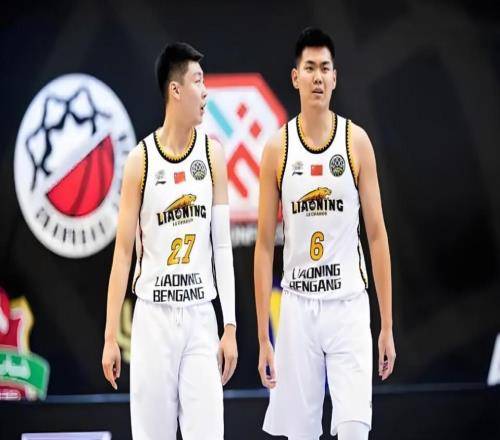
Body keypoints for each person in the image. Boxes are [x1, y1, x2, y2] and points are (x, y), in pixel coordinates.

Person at [254, 27, 396, 440]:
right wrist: (263, 337)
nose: (317, 77)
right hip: (297, 308)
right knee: (300, 434)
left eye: (325, 68)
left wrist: (386, 326)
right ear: (295, 77)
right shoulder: (277, 148)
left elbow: (377, 236)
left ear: (335, 77)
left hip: (348, 304)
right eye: (310, 68)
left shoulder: (356, 142)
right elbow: (262, 246)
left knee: (353, 429)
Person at [101, 42, 237, 440]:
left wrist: (229, 325)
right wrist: (109, 337)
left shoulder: (212, 155)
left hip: (200, 317)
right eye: (198, 81)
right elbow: (122, 253)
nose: (205, 92)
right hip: (152, 320)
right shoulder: (140, 161)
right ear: (175, 90)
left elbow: (222, 247)